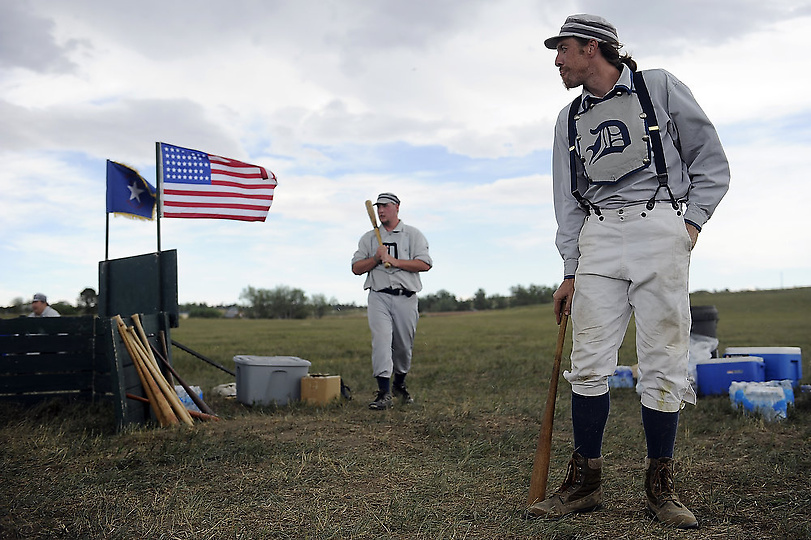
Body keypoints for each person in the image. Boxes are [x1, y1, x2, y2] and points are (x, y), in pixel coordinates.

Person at [527, 15, 730, 529]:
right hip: (597, 235)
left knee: (663, 357)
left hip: (659, 223)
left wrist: (692, 225)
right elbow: (565, 201)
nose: (557, 60)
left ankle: (660, 486)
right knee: (589, 360)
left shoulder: (657, 85)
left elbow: (711, 159)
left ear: (593, 49)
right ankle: (585, 483)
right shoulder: (568, 119)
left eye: (564, 50)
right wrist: (570, 270)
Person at [351, 193, 432, 410]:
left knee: (403, 347)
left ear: (397, 207)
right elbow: (356, 268)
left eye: (385, 206)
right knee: (382, 340)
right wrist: (376, 259)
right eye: (378, 207)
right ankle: (384, 392)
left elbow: (424, 264)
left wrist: (393, 261)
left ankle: (399, 384)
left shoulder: (412, 235)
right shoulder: (369, 238)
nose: (380, 211)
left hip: (406, 297)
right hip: (379, 295)